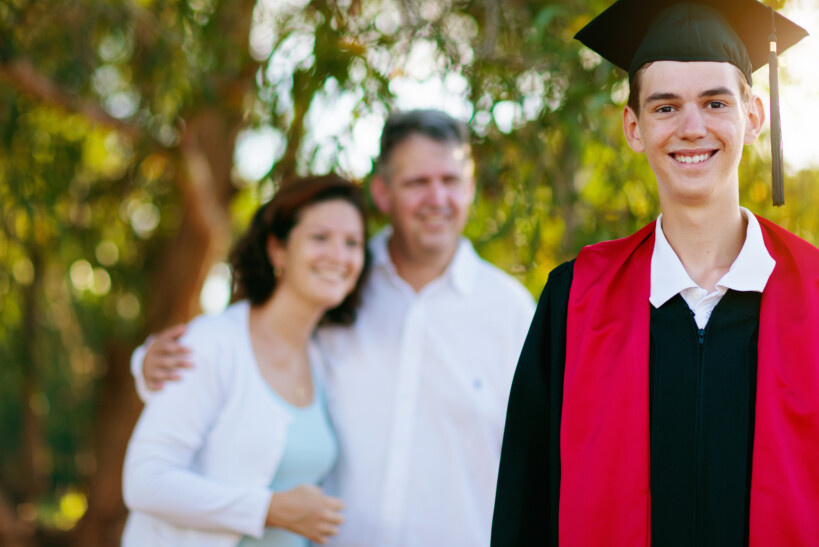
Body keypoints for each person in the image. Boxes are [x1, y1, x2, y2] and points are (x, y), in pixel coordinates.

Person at [490, 0, 819, 546]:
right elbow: (526, 511)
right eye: (665, 106)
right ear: (633, 127)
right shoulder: (576, 302)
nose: (692, 126)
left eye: (716, 102)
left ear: (753, 117)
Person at [134, 110, 536, 547]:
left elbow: (542, 454)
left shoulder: (513, 312)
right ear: (382, 193)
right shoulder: (343, 290)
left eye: (451, 180)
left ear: (470, 187)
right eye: (417, 183)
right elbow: (255, 346)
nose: (437, 198)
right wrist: (149, 364)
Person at [121, 174, 370, 546]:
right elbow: (144, 480)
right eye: (320, 237)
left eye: (352, 243)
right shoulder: (212, 344)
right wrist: (269, 509)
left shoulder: (326, 359)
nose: (338, 255)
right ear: (278, 250)